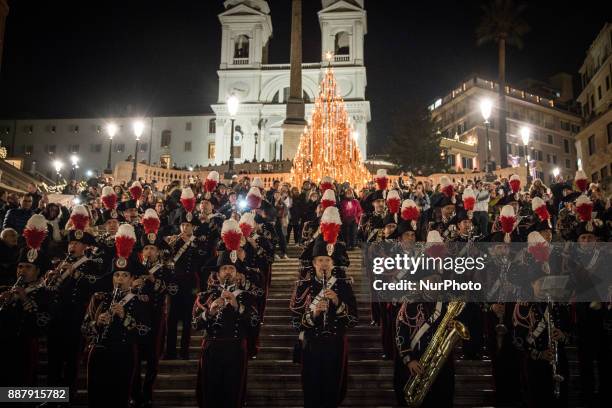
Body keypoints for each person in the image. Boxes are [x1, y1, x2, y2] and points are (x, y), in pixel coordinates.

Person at [290, 209, 358, 408]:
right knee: (311, 390)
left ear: (333, 263)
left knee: (333, 391)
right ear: (313, 263)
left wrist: (337, 303)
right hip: (311, 345)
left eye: (327, 260)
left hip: (336, 344)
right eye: (320, 260)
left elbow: (353, 320)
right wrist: (313, 315)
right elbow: (294, 319)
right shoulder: (303, 285)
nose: (324, 264)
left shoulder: (343, 285)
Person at [82, 224, 150, 408]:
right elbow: (84, 327)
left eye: (124, 275)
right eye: (117, 275)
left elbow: (144, 331)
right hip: (99, 352)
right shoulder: (99, 298)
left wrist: (125, 317)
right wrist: (97, 322)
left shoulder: (139, 301)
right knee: (96, 398)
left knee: (120, 397)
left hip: (124, 352)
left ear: (131, 278)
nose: (120, 279)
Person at [192, 248, 259, 408]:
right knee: (210, 391)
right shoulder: (205, 296)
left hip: (236, 348)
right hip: (212, 348)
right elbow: (194, 324)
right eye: (224, 268)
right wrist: (210, 312)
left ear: (237, 273)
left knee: (233, 392)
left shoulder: (247, 296)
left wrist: (237, 306)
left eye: (231, 268)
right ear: (218, 273)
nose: (228, 272)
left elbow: (255, 322)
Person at [0, 214, 54, 386]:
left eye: (28, 267)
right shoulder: (7, 289)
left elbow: (42, 322)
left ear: (38, 271)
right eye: (20, 266)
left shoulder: (45, 293)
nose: (22, 270)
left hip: (25, 347)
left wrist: (24, 299)